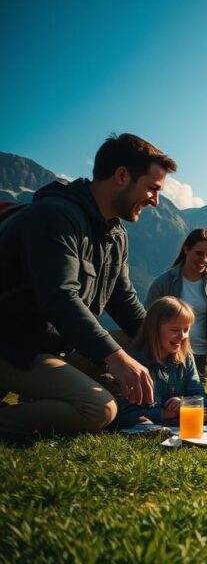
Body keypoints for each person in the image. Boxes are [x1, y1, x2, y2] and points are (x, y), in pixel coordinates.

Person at [0, 133, 175, 437]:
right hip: (14, 348)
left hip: (52, 349)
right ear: (122, 175)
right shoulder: (54, 216)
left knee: (130, 345)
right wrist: (117, 359)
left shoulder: (115, 234)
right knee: (99, 408)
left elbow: (123, 300)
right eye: (152, 188)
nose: (156, 201)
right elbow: (59, 297)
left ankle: (44, 398)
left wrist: (160, 341)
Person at [145, 228, 207, 385]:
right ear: (186, 249)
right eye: (199, 253)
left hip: (203, 358)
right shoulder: (164, 282)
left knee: (197, 403)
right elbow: (147, 319)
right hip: (168, 355)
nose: (204, 259)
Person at [112, 297, 207, 429]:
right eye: (175, 330)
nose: (182, 336)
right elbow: (125, 415)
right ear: (154, 330)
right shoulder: (135, 363)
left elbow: (200, 396)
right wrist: (163, 414)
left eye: (186, 330)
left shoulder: (185, 357)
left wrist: (187, 404)